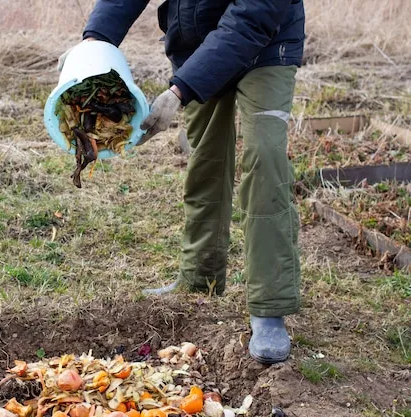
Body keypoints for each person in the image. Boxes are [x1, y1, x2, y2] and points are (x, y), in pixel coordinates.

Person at [58, 0, 305, 365]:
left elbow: (252, 18)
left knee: (264, 158)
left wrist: (179, 91)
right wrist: (95, 39)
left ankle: (270, 307)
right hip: (199, 42)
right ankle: (200, 275)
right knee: (206, 157)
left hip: (267, 43)